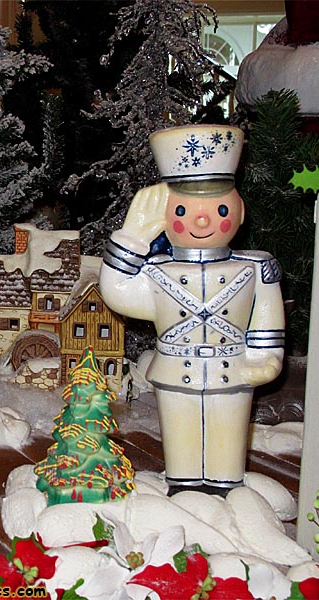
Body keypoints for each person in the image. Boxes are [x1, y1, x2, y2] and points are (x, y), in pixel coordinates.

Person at [99, 124, 285, 493]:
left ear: (241, 211)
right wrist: (132, 236)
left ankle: (226, 488)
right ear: (167, 217)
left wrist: (268, 359)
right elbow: (117, 292)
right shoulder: (157, 272)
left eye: (218, 209)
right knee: (181, 440)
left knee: (227, 444)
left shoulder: (253, 269)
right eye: (184, 209)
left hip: (233, 370)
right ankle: (183, 488)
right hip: (175, 369)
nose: (202, 220)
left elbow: (266, 321)